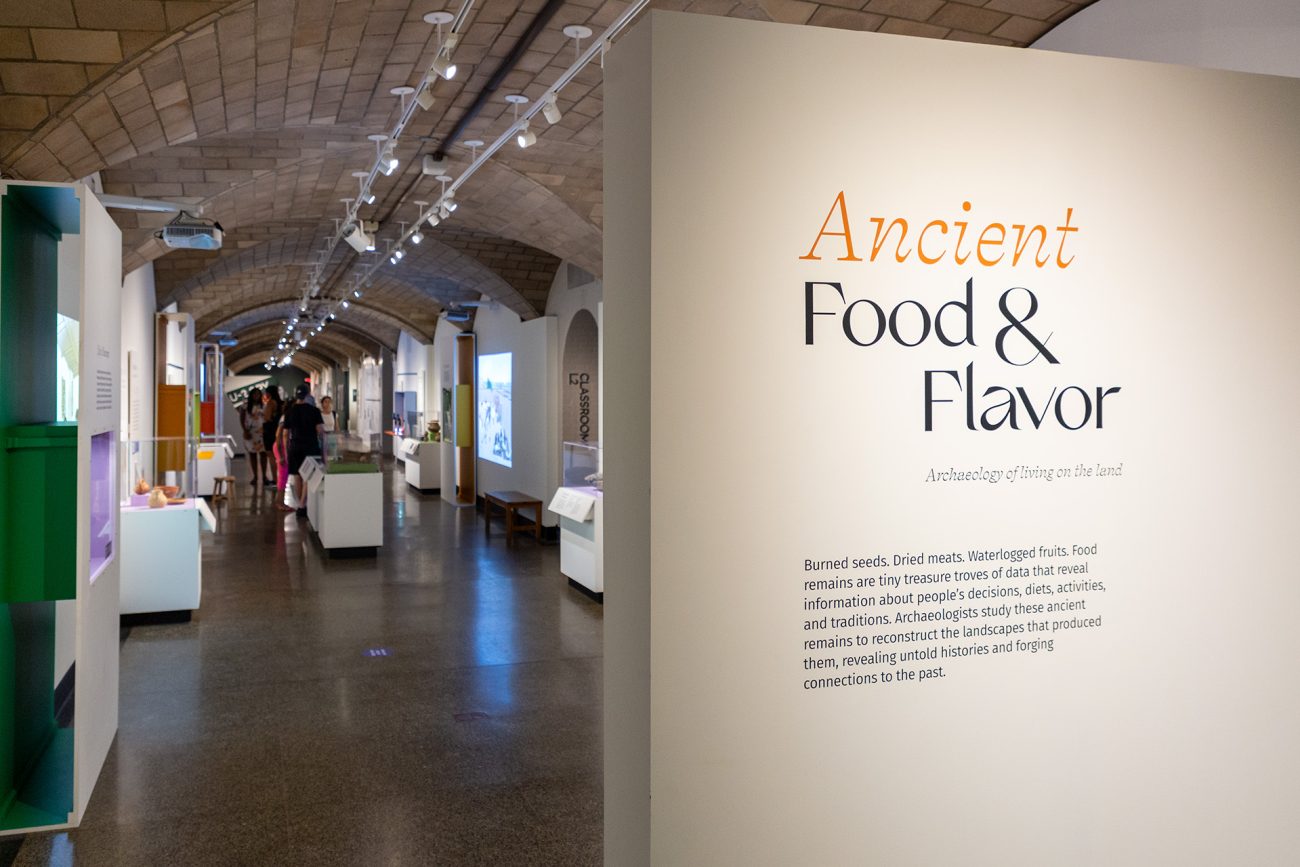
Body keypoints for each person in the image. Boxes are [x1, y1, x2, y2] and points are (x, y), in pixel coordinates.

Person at [283, 384, 325, 517]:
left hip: (295, 446)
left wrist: (286, 449)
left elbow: (285, 433)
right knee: (308, 475)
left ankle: (299, 505)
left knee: (297, 475)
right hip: (311, 446)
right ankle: (303, 504)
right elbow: (320, 431)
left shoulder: (290, 411)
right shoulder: (314, 411)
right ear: (308, 395)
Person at [273, 395, 296, 512]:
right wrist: (281, 455)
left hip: (283, 447)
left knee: (284, 476)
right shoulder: (285, 418)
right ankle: (280, 502)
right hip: (280, 447)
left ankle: (280, 502)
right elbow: (278, 436)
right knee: (283, 476)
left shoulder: (288, 416)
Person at [238, 387, 264, 486]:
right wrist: (245, 430)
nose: (256, 396)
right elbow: (241, 418)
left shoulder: (263, 405)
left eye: (258, 394)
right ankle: (255, 476)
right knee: (252, 454)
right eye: (255, 394)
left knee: (263, 454)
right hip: (250, 432)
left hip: (261, 433)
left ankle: (264, 476)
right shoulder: (245, 406)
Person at [261, 385, 282, 488]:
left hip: (269, 430)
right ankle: (278, 478)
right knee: (276, 455)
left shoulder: (271, 402)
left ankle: (275, 479)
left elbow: (267, 417)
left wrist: (263, 415)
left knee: (271, 455)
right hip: (276, 429)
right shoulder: (280, 403)